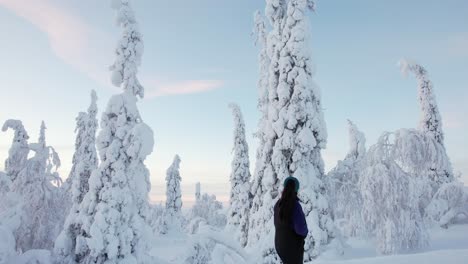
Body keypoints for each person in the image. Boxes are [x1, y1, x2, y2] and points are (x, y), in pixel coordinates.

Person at [274, 176, 308, 264]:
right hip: (292, 247)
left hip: (279, 245)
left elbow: (276, 224)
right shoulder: (295, 205)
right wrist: (305, 233)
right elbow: (301, 229)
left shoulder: (278, 204)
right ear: (296, 190)